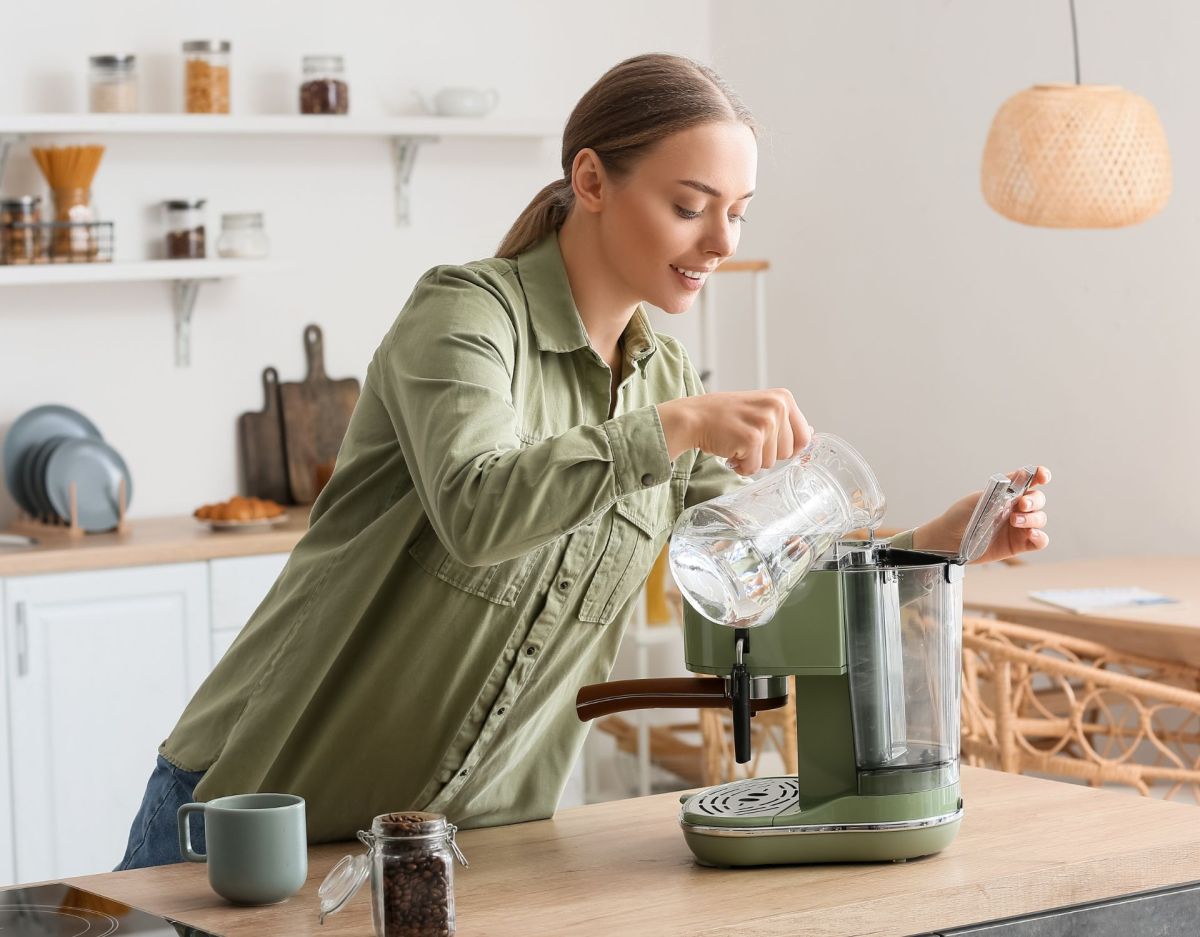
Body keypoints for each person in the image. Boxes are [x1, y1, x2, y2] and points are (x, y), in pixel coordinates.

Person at [117, 52, 1051, 870]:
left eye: (739, 213)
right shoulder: (466, 317)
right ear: (593, 180)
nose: (722, 243)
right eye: (691, 207)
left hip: (468, 847)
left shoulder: (668, 374)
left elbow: (753, 578)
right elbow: (477, 508)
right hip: (257, 814)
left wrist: (940, 548)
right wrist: (675, 427)